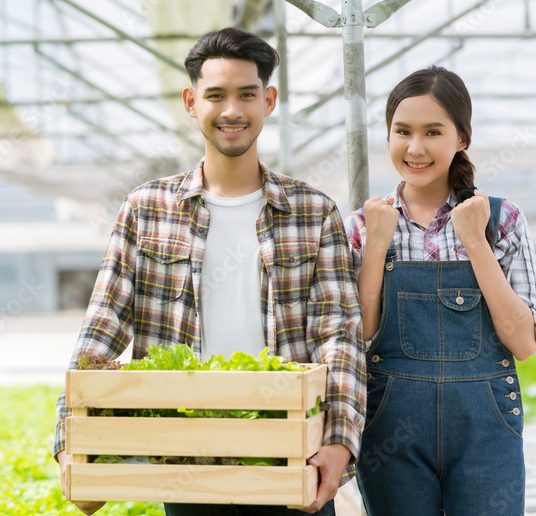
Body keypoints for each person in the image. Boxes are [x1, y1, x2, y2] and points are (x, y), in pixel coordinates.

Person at [53, 27, 365, 516]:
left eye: (246, 94)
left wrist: (340, 442)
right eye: (215, 95)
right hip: (185, 458)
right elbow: (103, 325)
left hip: (288, 454)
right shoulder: (146, 209)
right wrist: (71, 438)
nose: (232, 111)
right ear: (190, 102)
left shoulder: (313, 212)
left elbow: (338, 334)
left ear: (269, 99)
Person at [344, 66, 536, 515]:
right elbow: (360, 339)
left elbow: (524, 342)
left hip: (485, 427)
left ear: (461, 139)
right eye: (402, 131)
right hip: (391, 426)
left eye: (433, 132)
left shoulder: (502, 220)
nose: (415, 148)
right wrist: (376, 247)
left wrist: (476, 242)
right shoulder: (362, 226)